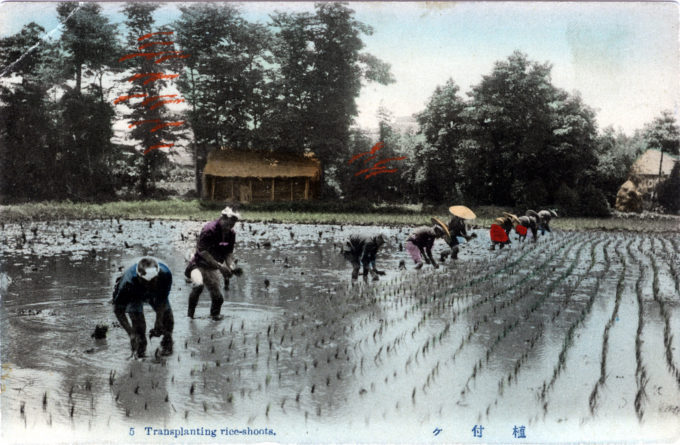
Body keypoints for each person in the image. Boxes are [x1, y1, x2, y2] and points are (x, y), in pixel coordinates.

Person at [185, 206, 240, 320]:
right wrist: (220, 266)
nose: (229, 227)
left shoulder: (231, 234)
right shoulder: (209, 229)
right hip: (198, 265)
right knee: (198, 285)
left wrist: (231, 266)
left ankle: (214, 317)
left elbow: (228, 253)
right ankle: (189, 317)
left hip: (212, 268)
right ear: (222, 218)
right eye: (228, 223)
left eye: (233, 224)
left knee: (218, 298)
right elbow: (203, 252)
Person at [113, 257, 173, 358]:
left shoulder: (165, 275)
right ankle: (140, 353)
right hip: (135, 292)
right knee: (139, 330)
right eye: (147, 282)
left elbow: (162, 299)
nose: (150, 285)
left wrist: (158, 320)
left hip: (157, 290)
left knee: (167, 319)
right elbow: (118, 310)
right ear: (139, 277)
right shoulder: (127, 284)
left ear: (158, 276)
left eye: (153, 280)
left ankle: (167, 346)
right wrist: (130, 333)